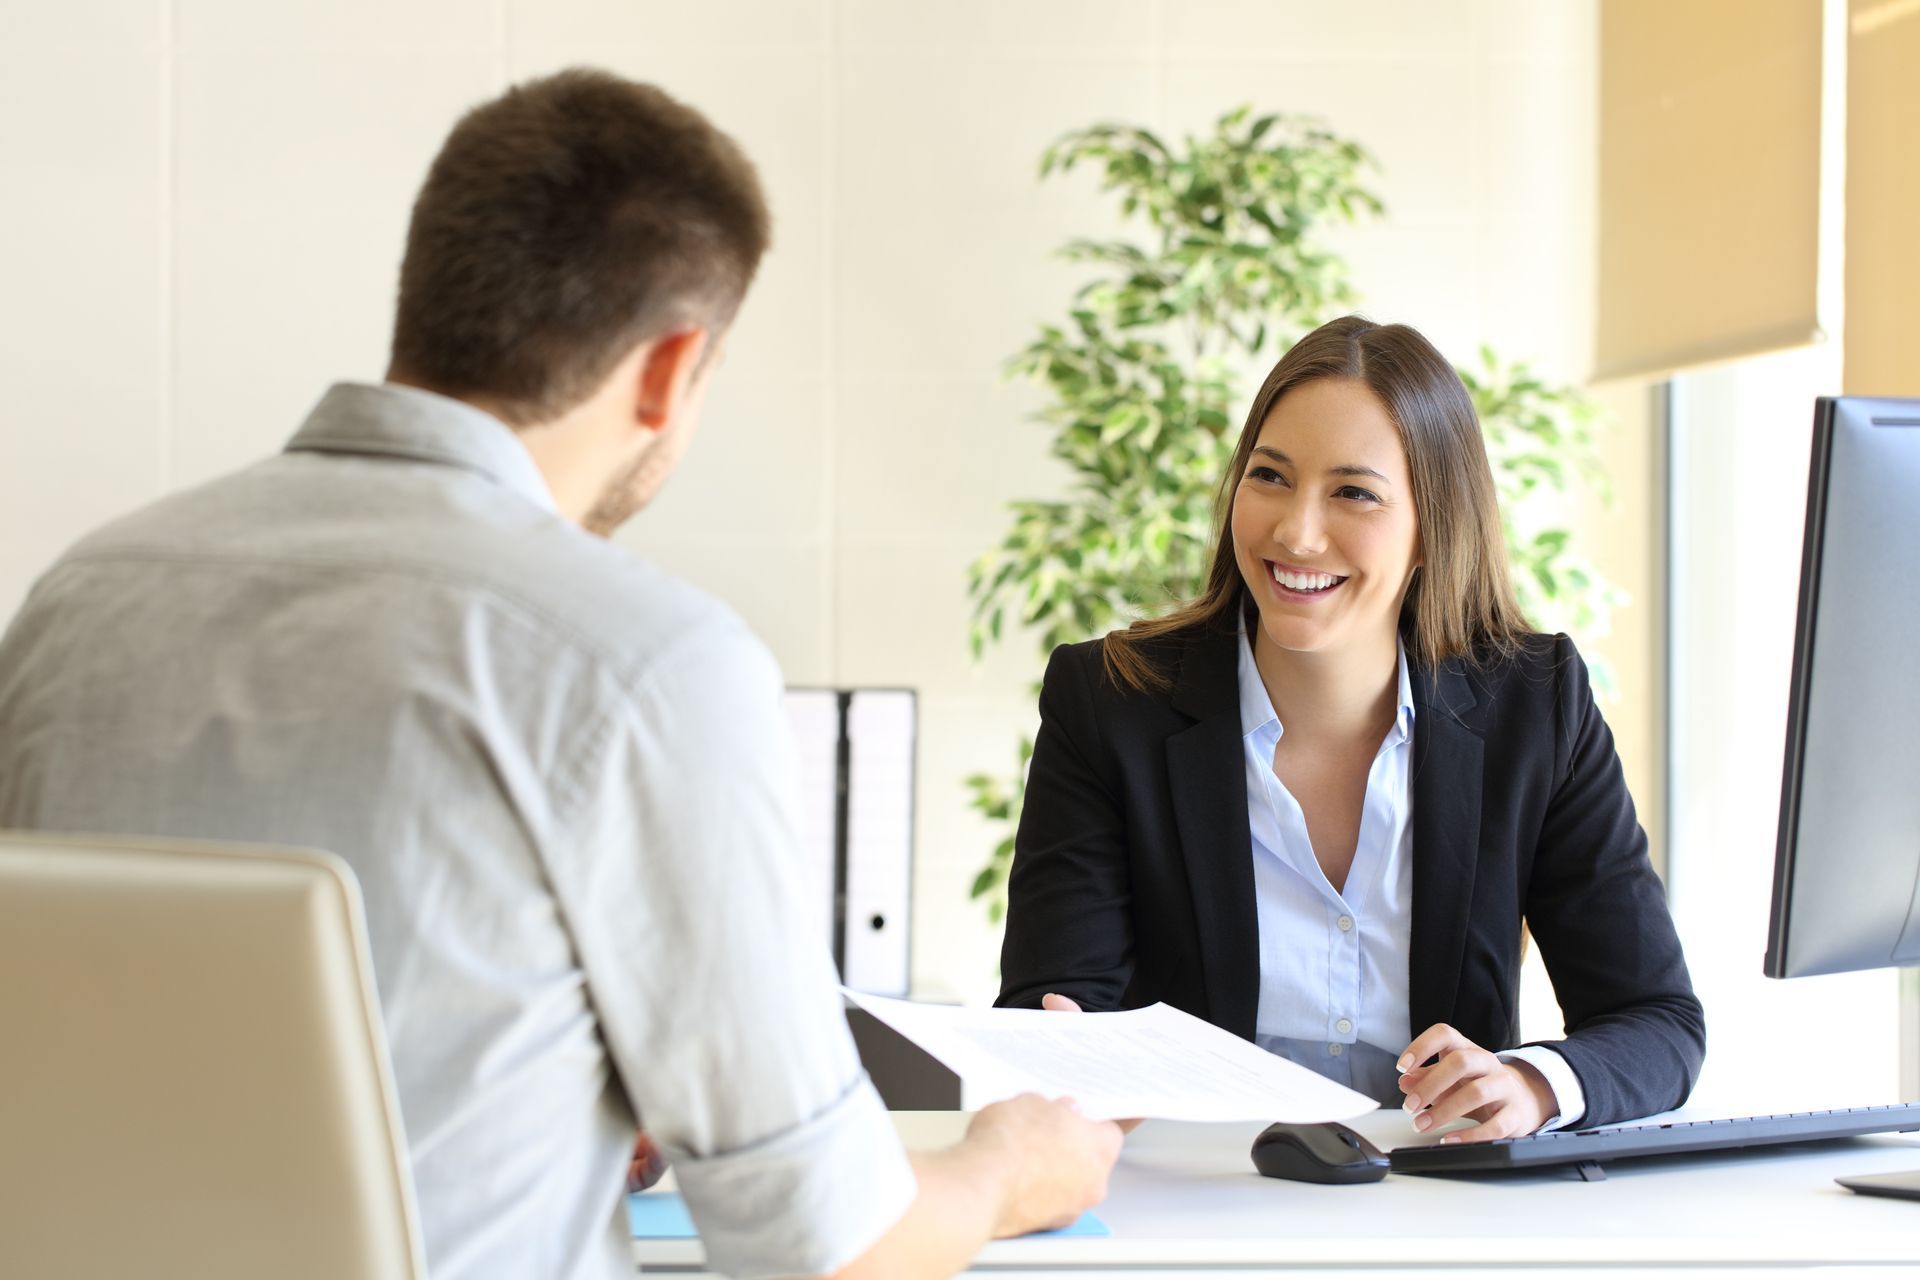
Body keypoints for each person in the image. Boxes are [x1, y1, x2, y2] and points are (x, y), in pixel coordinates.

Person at [0, 69, 1119, 1279]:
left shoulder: (80, 596)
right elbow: (824, 1246)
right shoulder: (642, 658)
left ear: (427, 293)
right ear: (668, 368)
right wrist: (1011, 1168)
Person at [997, 315, 1705, 1142]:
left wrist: (1532, 1084)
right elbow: (1053, 1006)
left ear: (1430, 531)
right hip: (1194, 1198)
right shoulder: (1111, 700)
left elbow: (1657, 1021)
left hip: (1436, 1209)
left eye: (1354, 492)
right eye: (1270, 477)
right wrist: (1069, 1057)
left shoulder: (1534, 705)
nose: (1296, 532)